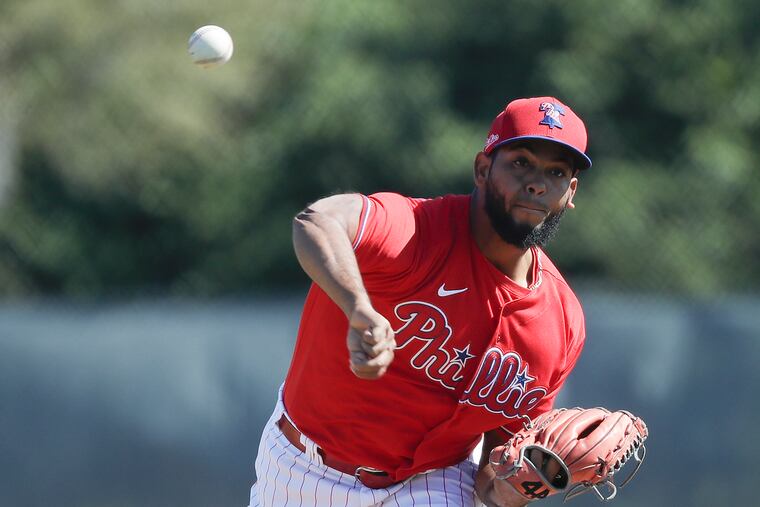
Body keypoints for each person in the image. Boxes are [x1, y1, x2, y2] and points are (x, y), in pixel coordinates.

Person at [249, 96, 593, 507]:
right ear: (483, 169)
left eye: (556, 172)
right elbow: (317, 221)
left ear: (570, 192)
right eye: (521, 162)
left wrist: (516, 488)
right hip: (303, 466)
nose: (537, 183)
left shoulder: (561, 324)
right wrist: (358, 307)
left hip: (432, 481)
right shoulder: (415, 232)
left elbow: (495, 474)